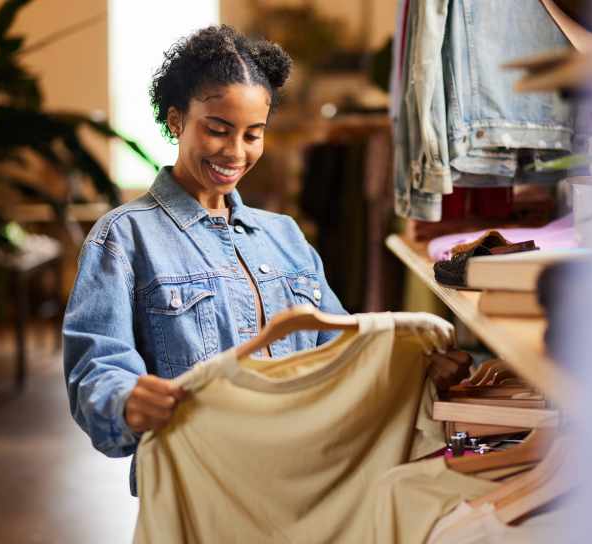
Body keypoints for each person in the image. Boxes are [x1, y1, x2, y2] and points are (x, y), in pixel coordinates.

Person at [62, 25, 470, 495]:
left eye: (252, 135)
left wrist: (414, 370)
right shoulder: (123, 237)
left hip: (302, 482)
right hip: (196, 489)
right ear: (176, 121)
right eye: (217, 130)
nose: (236, 152)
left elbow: (341, 350)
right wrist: (127, 401)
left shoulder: (285, 236)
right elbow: (96, 368)